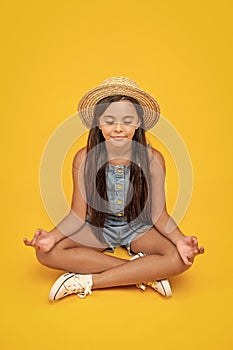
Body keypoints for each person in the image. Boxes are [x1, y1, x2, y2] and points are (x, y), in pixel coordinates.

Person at [24, 76, 204, 300]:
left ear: (138, 122)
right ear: (98, 124)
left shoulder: (152, 159)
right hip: (98, 228)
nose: (118, 128)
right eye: (109, 121)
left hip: (139, 228)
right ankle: (145, 273)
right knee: (45, 254)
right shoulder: (84, 158)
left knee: (180, 259)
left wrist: (181, 241)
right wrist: (51, 237)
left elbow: (159, 214)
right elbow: (77, 215)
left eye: (127, 121)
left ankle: (88, 282)